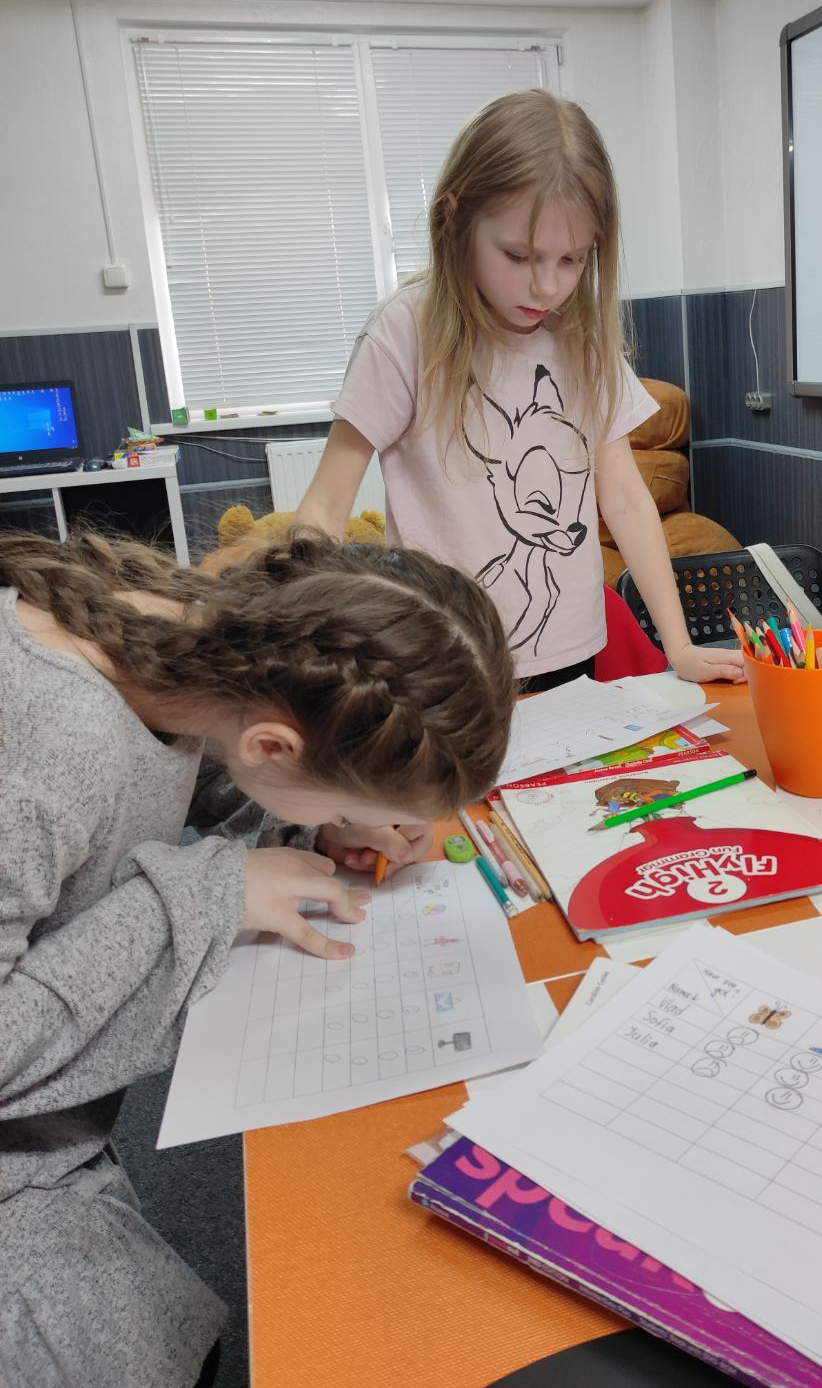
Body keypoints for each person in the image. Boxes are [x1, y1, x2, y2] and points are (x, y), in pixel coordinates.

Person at [0, 527, 515, 1388]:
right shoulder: (48, 744)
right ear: (273, 746)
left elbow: (178, 773)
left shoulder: (191, 646)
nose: (361, 828)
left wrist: (316, 825)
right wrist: (215, 891)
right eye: (347, 804)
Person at [296, 88, 743, 692]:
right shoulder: (405, 331)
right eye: (518, 255)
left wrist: (680, 646)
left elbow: (626, 499)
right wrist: (301, 636)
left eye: (573, 259)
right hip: (446, 663)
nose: (547, 287)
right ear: (454, 217)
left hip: (571, 657)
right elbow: (326, 507)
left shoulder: (582, 340)